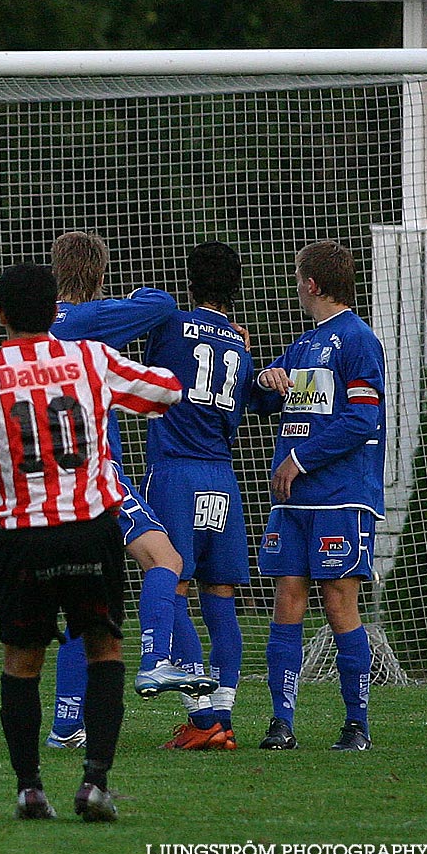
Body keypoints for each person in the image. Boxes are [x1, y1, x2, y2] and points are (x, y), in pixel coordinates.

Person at [0, 262, 182, 822]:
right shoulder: (89, 358)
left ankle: (30, 788)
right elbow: (166, 391)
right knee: (104, 648)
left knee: (21, 660)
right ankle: (95, 783)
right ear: (55, 313)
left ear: (1, 315)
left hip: (23, 539)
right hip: (91, 529)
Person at [45, 232, 216, 749]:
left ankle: (66, 727)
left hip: (51, 483)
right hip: (98, 474)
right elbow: (160, 304)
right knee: (165, 561)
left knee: (87, 601)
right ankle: (155, 663)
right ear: (97, 277)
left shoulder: (39, 327)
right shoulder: (89, 320)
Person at [252, 241, 384, 752]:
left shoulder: (358, 339)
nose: (295, 285)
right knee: (287, 598)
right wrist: (267, 377)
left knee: (337, 602)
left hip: (339, 495)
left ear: (311, 284)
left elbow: (361, 417)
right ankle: (281, 722)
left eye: (296, 277)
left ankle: (357, 725)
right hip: (294, 500)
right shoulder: (306, 344)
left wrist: (298, 459)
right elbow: (263, 398)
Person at [138, 242, 254, 750]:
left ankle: (202, 719)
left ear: (189, 282)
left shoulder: (170, 325)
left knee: (172, 585)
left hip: (176, 472)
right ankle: (223, 718)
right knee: (221, 600)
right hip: (223, 478)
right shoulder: (240, 343)